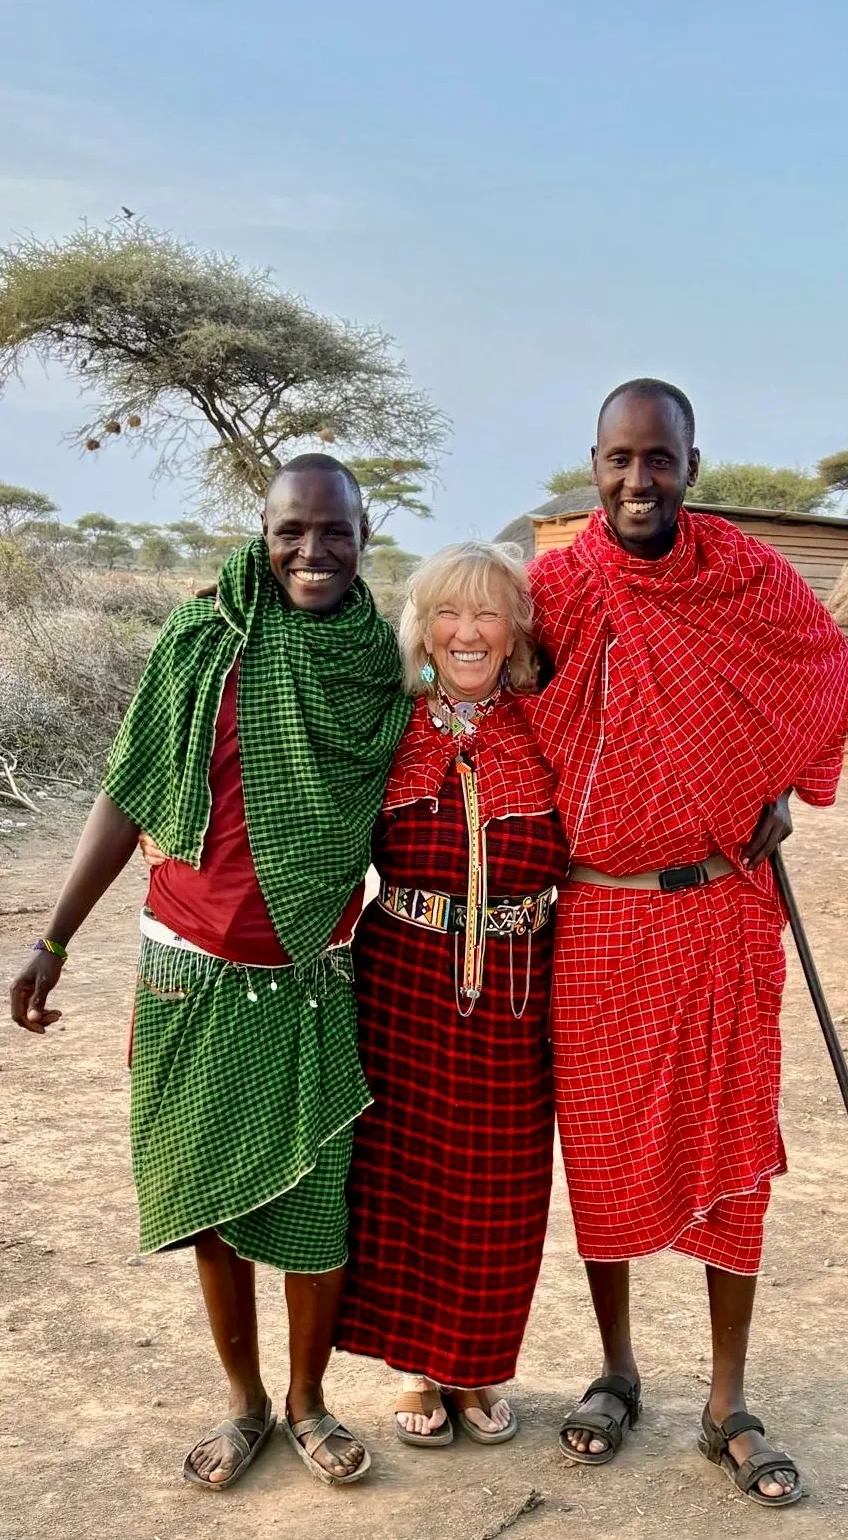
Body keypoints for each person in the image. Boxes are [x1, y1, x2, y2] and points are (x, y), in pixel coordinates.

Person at [8, 456, 411, 1491]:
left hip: (311, 977)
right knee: (208, 1209)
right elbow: (130, 788)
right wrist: (53, 939)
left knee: (319, 1212)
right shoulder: (203, 641)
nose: (312, 551)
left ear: (366, 535)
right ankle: (245, 1405)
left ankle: (310, 1402)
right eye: (292, 530)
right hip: (188, 970)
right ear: (262, 529)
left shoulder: (378, 666)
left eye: (335, 532)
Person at [523, 380, 848, 1509]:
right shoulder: (555, 588)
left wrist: (780, 781)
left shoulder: (747, 578)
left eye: (656, 459)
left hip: (720, 908)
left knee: (730, 1159)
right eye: (618, 459)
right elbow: (510, 712)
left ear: (690, 464)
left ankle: (726, 1400)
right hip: (601, 913)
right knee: (602, 1148)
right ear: (593, 462)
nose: (635, 480)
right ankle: (614, 1370)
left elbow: (828, 669)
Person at [335, 542, 568, 1448]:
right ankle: (417, 1366)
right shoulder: (386, 723)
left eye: (486, 615)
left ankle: (476, 1367)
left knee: (499, 1182)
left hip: (517, 987)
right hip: (400, 976)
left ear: (514, 631)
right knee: (402, 1173)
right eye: (447, 614)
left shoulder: (549, 727)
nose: (466, 632)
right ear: (422, 629)